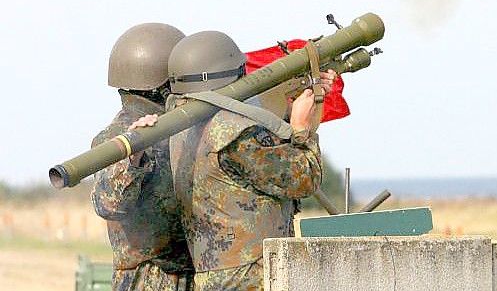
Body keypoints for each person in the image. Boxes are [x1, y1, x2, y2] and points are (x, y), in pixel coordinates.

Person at [154, 30, 333, 291]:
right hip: (251, 275)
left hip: (213, 273)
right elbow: (304, 179)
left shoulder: (181, 128)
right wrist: (301, 128)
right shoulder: (238, 134)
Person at [90, 23, 194, 291]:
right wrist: (133, 157)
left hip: (190, 272)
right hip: (150, 279)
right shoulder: (116, 137)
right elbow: (108, 204)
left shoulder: (177, 126)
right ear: (163, 83)